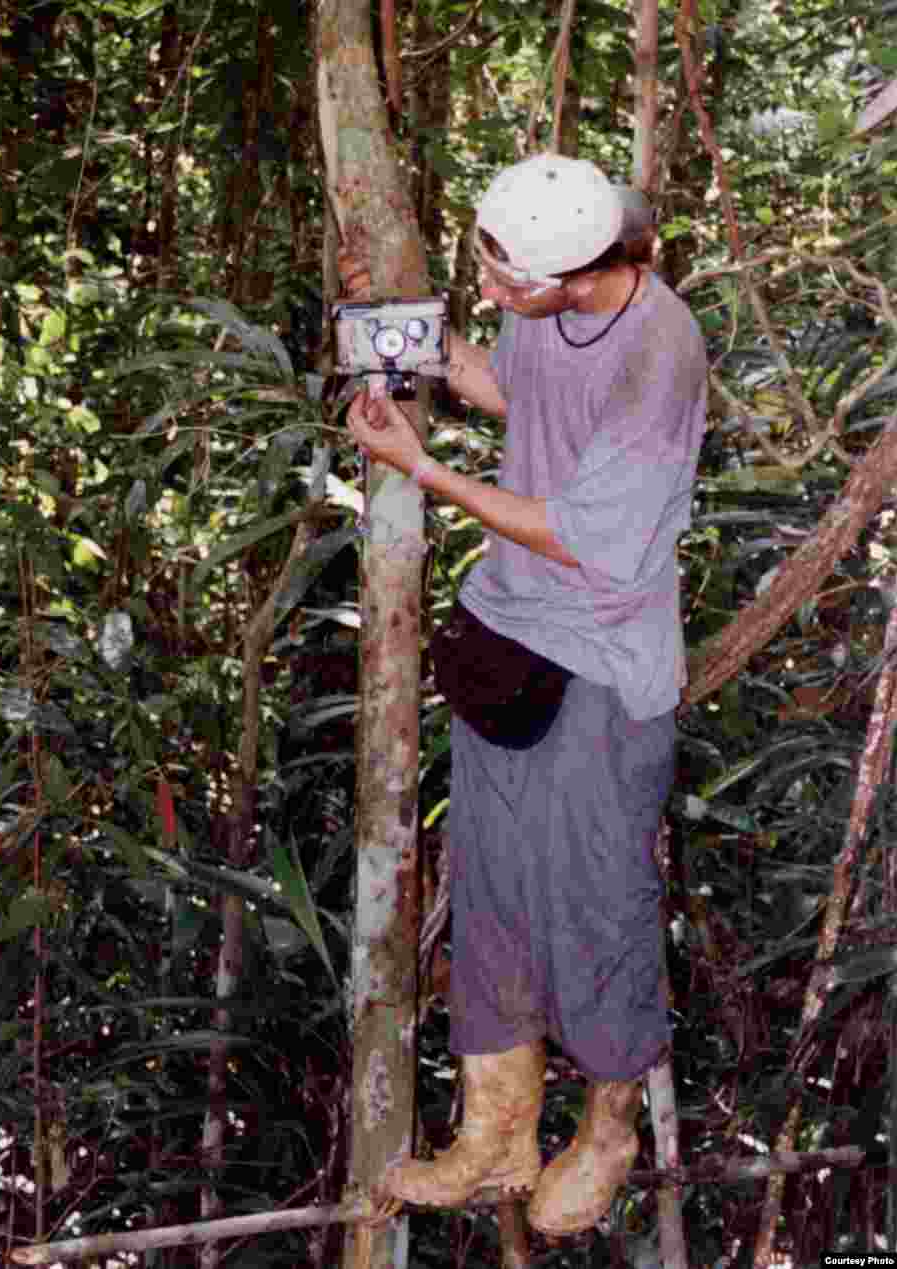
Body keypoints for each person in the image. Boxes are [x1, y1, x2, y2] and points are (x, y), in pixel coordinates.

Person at [343, 153, 707, 1238]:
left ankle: (605, 1130)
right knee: (494, 894)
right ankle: (495, 1129)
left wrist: (420, 469)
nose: (494, 294)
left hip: (601, 660)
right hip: (508, 638)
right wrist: (433, 355)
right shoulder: (551, 304)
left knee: (595, 904)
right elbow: (526, 398)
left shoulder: (660, 358)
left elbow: (578, 535)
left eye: (508, 287)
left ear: (579, 271)